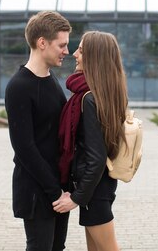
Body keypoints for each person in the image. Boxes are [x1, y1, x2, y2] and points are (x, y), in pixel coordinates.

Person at [53, 31, 128, 251]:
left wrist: (77, 198)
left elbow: (96, 158)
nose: (75, 54)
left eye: (82, 50)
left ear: (95, 56)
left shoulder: (89, 98)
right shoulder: (105, 93)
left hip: (95, 191)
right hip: (99, 187)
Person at [5, 11, 72, 251]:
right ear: (42, 43)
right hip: (37, 189)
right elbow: (24, 147)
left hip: (57, 187)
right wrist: (55, 191)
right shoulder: (19, 86)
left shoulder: (51, 79)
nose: (67, 51)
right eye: (61, 45)